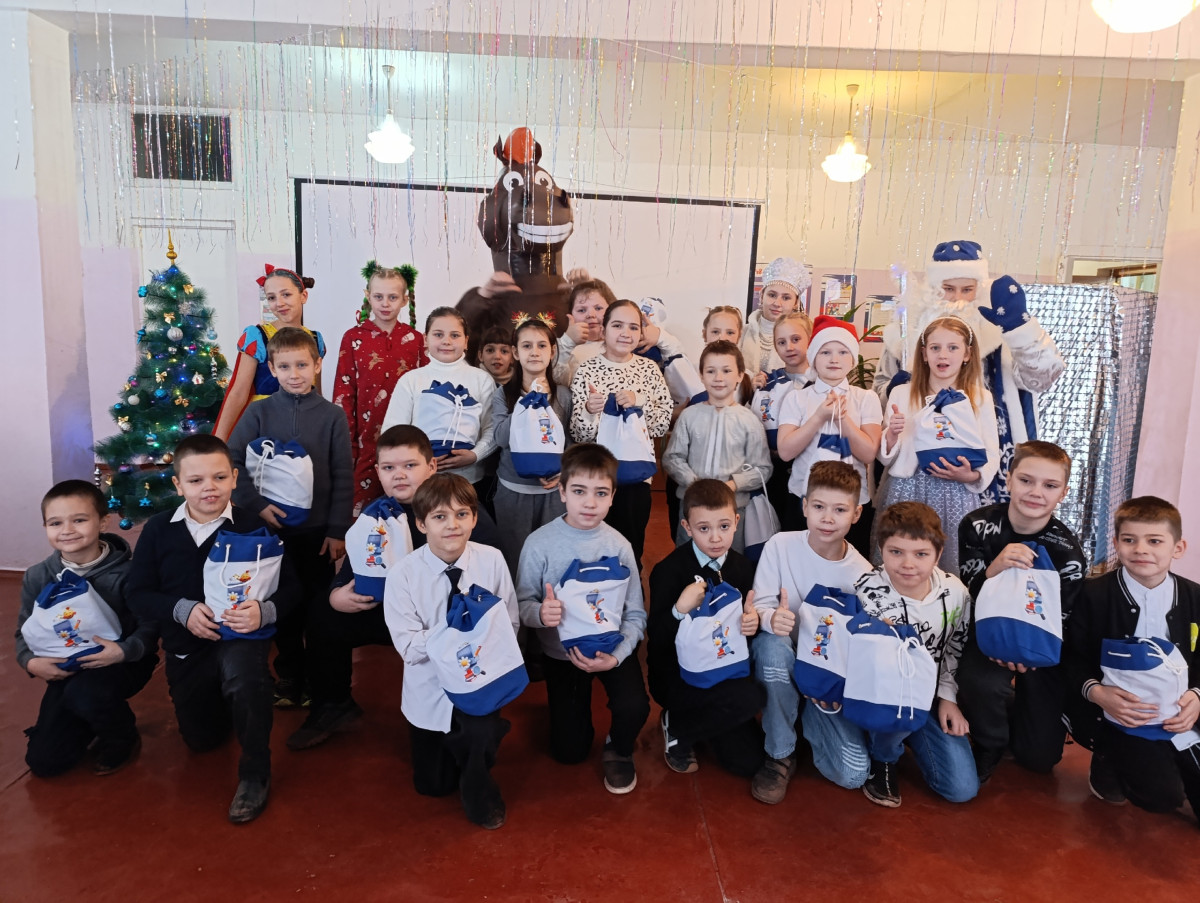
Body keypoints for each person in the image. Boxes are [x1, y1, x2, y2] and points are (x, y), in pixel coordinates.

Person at [287, 425, 504, 751]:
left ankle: (465, 711)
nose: (399, 475)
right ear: (378, 471)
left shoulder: (456, 510)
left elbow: (489, 576)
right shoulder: (377, 514)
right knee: (322, 612)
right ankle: (333, 705)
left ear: (431, 466)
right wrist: (337, 593)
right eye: (389, 467)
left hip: (444, 622)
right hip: (390, 614)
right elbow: (356, 563)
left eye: (409, 465)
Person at [126, 434, 301, 823]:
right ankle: (225, 700)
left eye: (219, 477)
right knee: (202, 740)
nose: (209, 488)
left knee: (246, 679)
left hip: (240, 639)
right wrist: (181, 610)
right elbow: (137, 593)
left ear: (234, 478)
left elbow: (292, 588)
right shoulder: (158, 530)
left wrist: (265, 611)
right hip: (186, 645)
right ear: (178, 484)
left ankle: (255, 773)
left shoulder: (254, 526)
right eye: (196, 480)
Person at [804, 502, 977, 807]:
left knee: (961, 789)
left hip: (926, 696)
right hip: (877, 694)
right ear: (880, 550)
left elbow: (954, 647)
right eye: (896, 552)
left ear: (938, 554)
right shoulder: (864, 591)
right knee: (858, 759)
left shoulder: (956, 593)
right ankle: (883, 757)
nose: (908, 564)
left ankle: (902, 736)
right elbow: (845, 652)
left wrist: (948, 697)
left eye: (921, 554)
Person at [873, 241, 1064, 502]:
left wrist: (1020, 330)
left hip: (988, 461)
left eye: (967, 290)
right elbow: (880, 398)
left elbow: (1041, 378)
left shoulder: (1000, 334)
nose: (958, 300)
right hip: (915, 469)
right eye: (948, 289)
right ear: (933, 290)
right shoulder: (903, 338)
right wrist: (893, 389)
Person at [382, 474, 517, 830]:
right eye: (440, 517)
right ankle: (470, 744)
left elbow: (510, 623)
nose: (452, 525)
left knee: (477, 742)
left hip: (479, 679)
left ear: (474, 518)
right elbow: (410, 648)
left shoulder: (492, 560)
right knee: (433, 786)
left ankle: (480, 781)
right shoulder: (402, 575)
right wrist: (457, 631)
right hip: (430, 688)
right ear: (421, 523)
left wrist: (474, 644)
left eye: (462, 514)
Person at [228, 327, 354, 709]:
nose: (294, 374)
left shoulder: (332, 416)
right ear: (271, 368)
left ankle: (317, 679)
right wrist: (256, 505)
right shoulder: (258, 412)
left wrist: (337, 530)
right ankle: (289, 675)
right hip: (271, 534)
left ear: (317, 365)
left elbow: (343, 475)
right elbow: (232, 461)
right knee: (280, 607)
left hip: (317, 533)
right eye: (284, 366)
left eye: (302, 365)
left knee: (317, 608)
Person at [516, 443, 650, 794]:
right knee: (569, 752)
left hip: (611, 647)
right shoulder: (539, 544)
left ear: (613, 497)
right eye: (579, 491)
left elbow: (636, 613)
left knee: (635, 707)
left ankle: (619, 748)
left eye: (600, 493)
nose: (589, 503)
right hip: (563, 655)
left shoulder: (620, 546)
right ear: (561, 491)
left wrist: (617, 656)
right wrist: (540, 614)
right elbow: (521, 604)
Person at [956, 440, 1088, 784]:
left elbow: (1062, 621)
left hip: (1040, 644)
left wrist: (1027, 653)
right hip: (988, 631)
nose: (1036, 492)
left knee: (1039, 759)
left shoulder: (1068, 554)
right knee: (978, 681)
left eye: (1050, 485)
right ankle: (989, 742)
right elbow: (967, 595)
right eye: (1026, 480)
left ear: (1063, 493)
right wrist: (993, 569)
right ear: (1009, 478)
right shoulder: (976, 524)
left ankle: (1021, 710)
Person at [1065, 497, 1200, 817]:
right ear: (1116, 544)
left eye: (1154, 541)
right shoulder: (1092, 595)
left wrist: (1197, 695)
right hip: (1124, 718)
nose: (1141, 549)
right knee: (1162, 799)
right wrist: (1097, 693)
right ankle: (1107, 759)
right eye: (1129, 540)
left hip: (1181, 715)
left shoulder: (1195, 597)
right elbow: (1070, 656)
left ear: (1178, 548)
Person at [748, 461, 872, 804]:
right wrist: (771, 618)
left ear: (856, 513)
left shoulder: (863, 575)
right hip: (784, 657)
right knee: (772, 649)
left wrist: (837, 687)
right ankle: (780, 751)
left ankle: (807, 717)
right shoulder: (780, 545)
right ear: (804, 506)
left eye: (839, 510)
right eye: (818, 506)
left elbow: (860, 645)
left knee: (854, 774)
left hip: (825, 677)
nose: (827, 518)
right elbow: (760, 607)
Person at [16, 480, 157, 778]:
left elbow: (150, 626)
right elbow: (24, 632)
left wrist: (123, 652)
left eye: (79, 520)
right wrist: (30, 662)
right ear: (45, 527)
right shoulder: (37, 576)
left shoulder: (129, 574)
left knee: (86, 694)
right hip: (67, 667)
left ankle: (122, 735)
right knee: (45, 761)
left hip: (121, 662)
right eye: (56, 523)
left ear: (103, 522)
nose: (67, 530)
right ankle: (87, 719)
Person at [647, 480, 766, 777]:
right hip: (681, 675)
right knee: (744, 703)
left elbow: (750, 630)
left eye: (724, 526)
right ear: (687, 527)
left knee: (748, 763)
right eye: (703, 528)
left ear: (736, 521)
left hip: (726, 671)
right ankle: (678, 725)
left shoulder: (744, 569)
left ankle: (690, 725)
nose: (715, 538)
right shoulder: (668, 570)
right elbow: (657, 640)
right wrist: (679, 610)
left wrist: (753, 624)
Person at [877, 316, 999, 573]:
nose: (943, 355)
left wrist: (972, 476)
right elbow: (886, 456)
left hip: (956, 493)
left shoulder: (980, 398)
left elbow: (991, 451)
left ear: (967, 354)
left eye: (953, 347)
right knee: (902, 561)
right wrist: (891, 435)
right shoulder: (901, 393)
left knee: (948, 564)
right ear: (924, 354)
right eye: (935, 348)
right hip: (906, 491)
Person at [569, 300, 671, 568]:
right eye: (617, 325)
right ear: (603, 330)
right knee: (592, 547)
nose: (625, 333)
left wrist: (639, 401)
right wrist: (589, 410)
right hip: (595, 475)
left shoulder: (649, 369)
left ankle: (631, 593)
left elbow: (662, 424)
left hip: (635, 476)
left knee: (630, 548)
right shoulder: (587, 369)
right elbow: (579, 434)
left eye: (633, 327)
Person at [776, 317, 882, 552]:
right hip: (804, 497)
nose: (834, 359)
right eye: (825, 352)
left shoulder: (865, 398)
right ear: (813, 357)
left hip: (852, 501)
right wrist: (818, 417)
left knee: (849, 560)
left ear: (853, 358)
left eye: (843, 352)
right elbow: (785, 451)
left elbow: (868, 453)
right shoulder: (797, 398)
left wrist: (842, 420)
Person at [332, 261, 427, 514]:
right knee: (362, 513)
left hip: (407, 445)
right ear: (368, 296)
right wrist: (348, 447)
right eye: (378, 297)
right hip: (365, 446)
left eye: (392, 297)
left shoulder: (416, 340)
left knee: (409, 512)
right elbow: (343, 395)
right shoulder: (353, 338)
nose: (385, 303)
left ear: (404, 300)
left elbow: (426, 395)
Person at [662, 341, 772, 552]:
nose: (719, 378)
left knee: (730, 560)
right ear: (701, 376)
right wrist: (695, 484)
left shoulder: (749, 421)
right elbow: (672, 457)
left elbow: (762, 469)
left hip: (732, 509)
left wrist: (732, 485)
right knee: (688, 559)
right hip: (692, 506)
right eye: (711, 371)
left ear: (740, 375)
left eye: (726, 371)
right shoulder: (689, 416)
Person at [381, 307, 498, 493]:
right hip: (421, 482)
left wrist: (475, 455)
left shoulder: (481, 379)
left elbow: (492, 429)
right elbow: (392, 431)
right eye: (438, 334)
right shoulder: (411, 380)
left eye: (455, 335)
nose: (446, 341)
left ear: (466, 341)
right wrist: (418, 461)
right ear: (425, 339)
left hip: (469, 482)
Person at [491, 315, 572, 575]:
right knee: (516, 560)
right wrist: (527, 403)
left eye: (541, 345)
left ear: (552, 351)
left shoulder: (563, 395)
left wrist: (564, 471)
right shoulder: (503, 394)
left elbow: (571, 442)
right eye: (526, 346)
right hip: (513, 491)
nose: (534, 352)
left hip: (554, 493)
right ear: (515, 353)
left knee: (552, 560)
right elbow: (501, 438)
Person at [214, 265, 326, 441]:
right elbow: (239, 392)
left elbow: (316, 391)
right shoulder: (257, 336)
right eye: (272, 298)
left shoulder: (315, 339)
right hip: (264, 424)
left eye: (286, 294)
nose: (279, 303)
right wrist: (220, 440)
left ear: (303, 296)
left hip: (304, 424)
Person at [752, 310, 814, 521]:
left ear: (810, 339)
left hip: (810, 471)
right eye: (781, 342)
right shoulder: (768, 384)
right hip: (774, 472)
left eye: (796, 339)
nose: (789, 347)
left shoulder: (822, 384)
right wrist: (753, 391)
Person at [741, 257, 811, 384]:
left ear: (796, 302)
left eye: (786, 298)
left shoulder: (803, 338)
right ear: (762, 296)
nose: (777, 303)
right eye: (772, 295)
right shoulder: (740, 333)